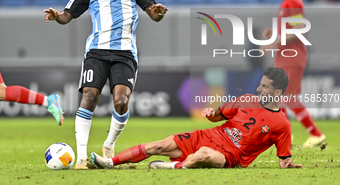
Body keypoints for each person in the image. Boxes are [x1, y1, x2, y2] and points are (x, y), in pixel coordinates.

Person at [44, 0, 169, 170]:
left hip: (125, 53)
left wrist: (159, 13)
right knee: (89, 96)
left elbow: (153, 13)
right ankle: (81, 158)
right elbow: (67, 16)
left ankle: (109, 144)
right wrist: (56, 16)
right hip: (96, 52)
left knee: (121, 102)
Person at [90, 67, 302, 170]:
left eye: (265, 87)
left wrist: (290, 166)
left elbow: (284, 160)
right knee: (159, 145)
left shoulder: (282, 124)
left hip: (231, 155)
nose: (258, 89)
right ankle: (109, 162)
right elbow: (218, 116)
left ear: (278, 93)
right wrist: (211, 114)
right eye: (260, 84)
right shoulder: (246, 98)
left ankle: (173, 167)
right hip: (209, 135)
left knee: (203, 155)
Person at [261, 0, 325, 148]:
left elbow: (299, 29)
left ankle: (315, 134)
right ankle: (285, 137)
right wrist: (274, 33)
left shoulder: (294, 2)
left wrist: (274, 41)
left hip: (292, 57)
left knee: (287, 96)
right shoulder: (286, 3)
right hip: (285, 57)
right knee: (281, 97)